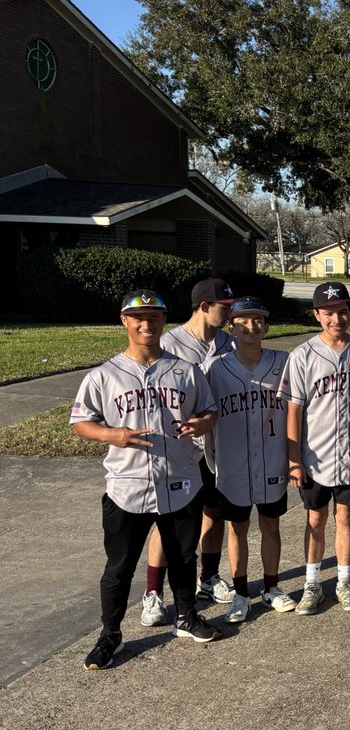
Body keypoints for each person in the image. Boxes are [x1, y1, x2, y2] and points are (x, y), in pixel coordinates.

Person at [71, 289, 219, 669]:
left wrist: (200, 422)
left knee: (183, 556)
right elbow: (81, 422)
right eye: (138, 318)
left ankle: (186, 617)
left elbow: (210, 411)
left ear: (163, 322)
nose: (146, 324)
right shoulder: (105, 375)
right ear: (125, 321)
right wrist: (112, 435)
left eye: (154, 318)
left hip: (180, 479)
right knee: (119, 566)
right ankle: (111, 636)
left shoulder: (186, 371)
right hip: (128, 485)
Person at [139, 277, 235, 626]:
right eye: (224, 307)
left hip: (219, 445)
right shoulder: (170, 344)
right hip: (180, 449)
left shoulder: (227, 342)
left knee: (214, 511)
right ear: (205, 307)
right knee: (168, 521)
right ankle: (153, 593)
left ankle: (208, 579)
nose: (229, 312)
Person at [279, 282, 350, 615]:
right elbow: (293, 411)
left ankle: (345, 582)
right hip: (314, 455)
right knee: (315, 519)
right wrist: (293, 460)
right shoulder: (303, 355)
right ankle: (312, 584)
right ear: (317, 314)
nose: (337, 318)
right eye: (329, 312)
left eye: (343, 310)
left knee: (345, 517)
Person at [201, 297, 297, 622]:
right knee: (237, 528)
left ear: (267, 327)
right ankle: (241, 594)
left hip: (272, 461)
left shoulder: (284, 362)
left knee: (271, 524)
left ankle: (271, 587)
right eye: (243, 321)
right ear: (232, 328)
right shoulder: (216, 368)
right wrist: (214, 463)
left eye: (258, 320)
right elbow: (206, 420)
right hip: (233, 465)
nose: (251, 326)